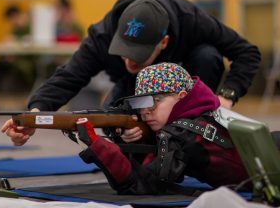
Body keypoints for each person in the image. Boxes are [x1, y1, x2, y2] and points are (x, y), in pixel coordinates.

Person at [1, 0, 261, 145]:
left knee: (208, 55)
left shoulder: (191, 19)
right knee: (114, 123)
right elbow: (69, 76)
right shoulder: (102, 35)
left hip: (184, 92)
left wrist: (226, 97)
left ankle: (192, 134)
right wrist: (34, 115)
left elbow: (247, 52)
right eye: (124, 51)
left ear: (164, 42)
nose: (129, 60)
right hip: (131, 87)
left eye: (139, 54)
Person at [74, 62, 249, 194]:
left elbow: (141, 184)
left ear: (181, 97)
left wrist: (100, 147)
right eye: (141, 104)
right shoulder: (201, 115)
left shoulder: (183, 135)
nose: (145, 112)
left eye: (154, 102)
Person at [0, 4, 36, 110]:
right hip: (14, 60)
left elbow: (32, 47)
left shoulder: (30, 27)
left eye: (11, 19)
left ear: (16, 16)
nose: (10, 22)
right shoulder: (14, 30)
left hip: (26, 63)